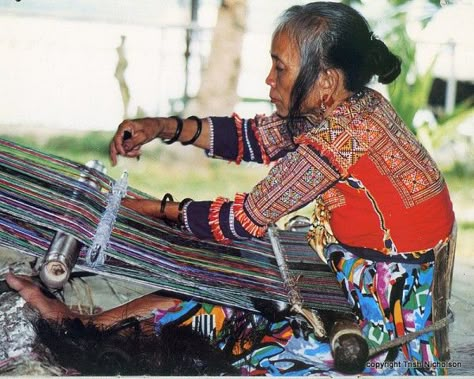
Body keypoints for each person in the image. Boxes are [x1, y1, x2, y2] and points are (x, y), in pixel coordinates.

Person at [7, 1, 455, 376]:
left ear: (326, 82)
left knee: (237, 328)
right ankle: (89, 325)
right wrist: (163, 126)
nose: (268, 80)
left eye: (280, 68)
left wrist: (153, 210)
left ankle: (83, 327)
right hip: (358, 279)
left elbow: (242, 219)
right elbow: (252, 138)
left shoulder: (344, 135)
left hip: (383, 326)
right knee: (219, 284)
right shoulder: (350, 108)